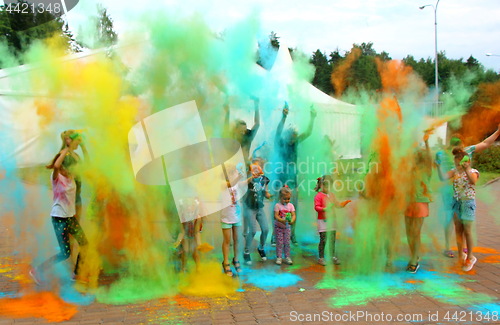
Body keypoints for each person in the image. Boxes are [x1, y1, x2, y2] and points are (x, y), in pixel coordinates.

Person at [29, 132, 88, 284]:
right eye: (66, 168)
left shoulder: (72, 178)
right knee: (65, 253)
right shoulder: (56, 178)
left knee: (85, 244)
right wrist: (66, 149)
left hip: (70, 217)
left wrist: (81, 146)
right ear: (62, 167)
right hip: (59, 218)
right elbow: (56, 165)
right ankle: (37, 270)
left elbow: (85, 166)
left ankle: (77, 274)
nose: (69, 171)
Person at [436, 123, 500, 257]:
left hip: (458, 191)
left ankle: (458, 248)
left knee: (459, 220)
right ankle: (455, 247)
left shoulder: (462, 152)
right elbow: (485, 143)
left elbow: (485, 143)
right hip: (451, 191)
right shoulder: (448, 153)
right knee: (456, 220)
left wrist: (498, 132)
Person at [272, 103, 316, 245]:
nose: (293, 137)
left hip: (292, 180)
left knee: (293, 206)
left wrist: (312, 118)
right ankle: (274, 235)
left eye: (295, 135)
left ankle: (292, 234)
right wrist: (283, 117)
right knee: (278, 206)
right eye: (292, 134)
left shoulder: (295, 142)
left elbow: (308, 133)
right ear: (287, 134)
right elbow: (278, 132)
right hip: (280, 179)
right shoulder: (280, 142)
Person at [438, 148, 480, 272]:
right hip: (456, 202)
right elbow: (443, 178)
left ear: (467, 161)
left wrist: (466, 169)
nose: (457, 165)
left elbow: (473, 181)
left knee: (467, 230)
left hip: (468, 202)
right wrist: (439, 166)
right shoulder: (454, 171)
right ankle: (461, 255)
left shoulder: (473, 171)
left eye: (459, 162)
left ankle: (471, 256)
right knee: (458, 231)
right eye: (456, 162)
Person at [404, 138, 433, 273]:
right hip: (408, 202)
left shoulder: (426, 169)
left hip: (420, 201)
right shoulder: (408, 170)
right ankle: (414, 255)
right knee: (409, 232)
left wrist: (426, 143)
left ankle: (414, 259)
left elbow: (430, 158)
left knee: (415, 232)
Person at [221, 165, 256, 276]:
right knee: (227, 241)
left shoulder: (236, 183)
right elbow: (230, 184)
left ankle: (236, 259)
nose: (233, 173)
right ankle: (225, 262)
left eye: (233, 172)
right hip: (226, 217)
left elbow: (243, 183)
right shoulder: (222, 183)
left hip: (236, 216)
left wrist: (251, 177)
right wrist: (238, 176)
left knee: (237, 239)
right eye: (231, 172)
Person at [314, 175, 351, 266]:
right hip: (323, 221)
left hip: (332, 220)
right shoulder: (318, 196)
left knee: (332, 239)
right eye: (325, 185)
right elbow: (317, 207)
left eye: (329, 185)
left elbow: (337, 204)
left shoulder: (332, 195)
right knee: (323, 239)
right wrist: (324, 209)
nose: (327, 187)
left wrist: (343, 204)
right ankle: (321, 258)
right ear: (321, 185)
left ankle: (332, 256)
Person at [243, 157, 271, 265]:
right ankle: (246, 251)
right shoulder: (249, 178)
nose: (257, 169)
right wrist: (250, 177)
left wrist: (269, 195)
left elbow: (266, 192)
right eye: (255, 167)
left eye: (259, 167)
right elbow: (242, 186)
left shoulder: (264, 179)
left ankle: (261, 247)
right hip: (249, 207)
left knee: (266, 229)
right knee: (253, 231)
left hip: (259, 207)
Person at [224, 97, 260, 165]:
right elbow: (225, 128)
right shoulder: (231, 138)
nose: (243, 133)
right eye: (241, 131)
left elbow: (257, 123)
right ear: (236, 130)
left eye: (244, 131)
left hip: (245, 167)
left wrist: (256, 105)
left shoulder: (248, 137)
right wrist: (227, 113)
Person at [174, 198, 203, 273]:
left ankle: (198, 268)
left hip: (194, 235)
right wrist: (178, 241)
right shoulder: (182, 216)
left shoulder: (197, 218)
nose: (189, 208)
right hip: (186, 235)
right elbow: (182, 231)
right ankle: (183, 268)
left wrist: (199, 244)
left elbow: (197, 232)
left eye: (191, 206)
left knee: (195, 252)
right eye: (187, 206)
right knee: (185, 251)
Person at [274, 186, 296, 265]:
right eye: (284, 199)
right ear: (280, 197)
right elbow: (276, 216)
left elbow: (293, 215)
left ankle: (287, 256)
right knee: (279, 242)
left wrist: (292, 220)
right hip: (279, 227)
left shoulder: (291, 206)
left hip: (287, 227)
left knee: (287, 242)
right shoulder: (277, 205)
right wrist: (281, 220)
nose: (286, 201)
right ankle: (279, 257)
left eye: (288, 199)